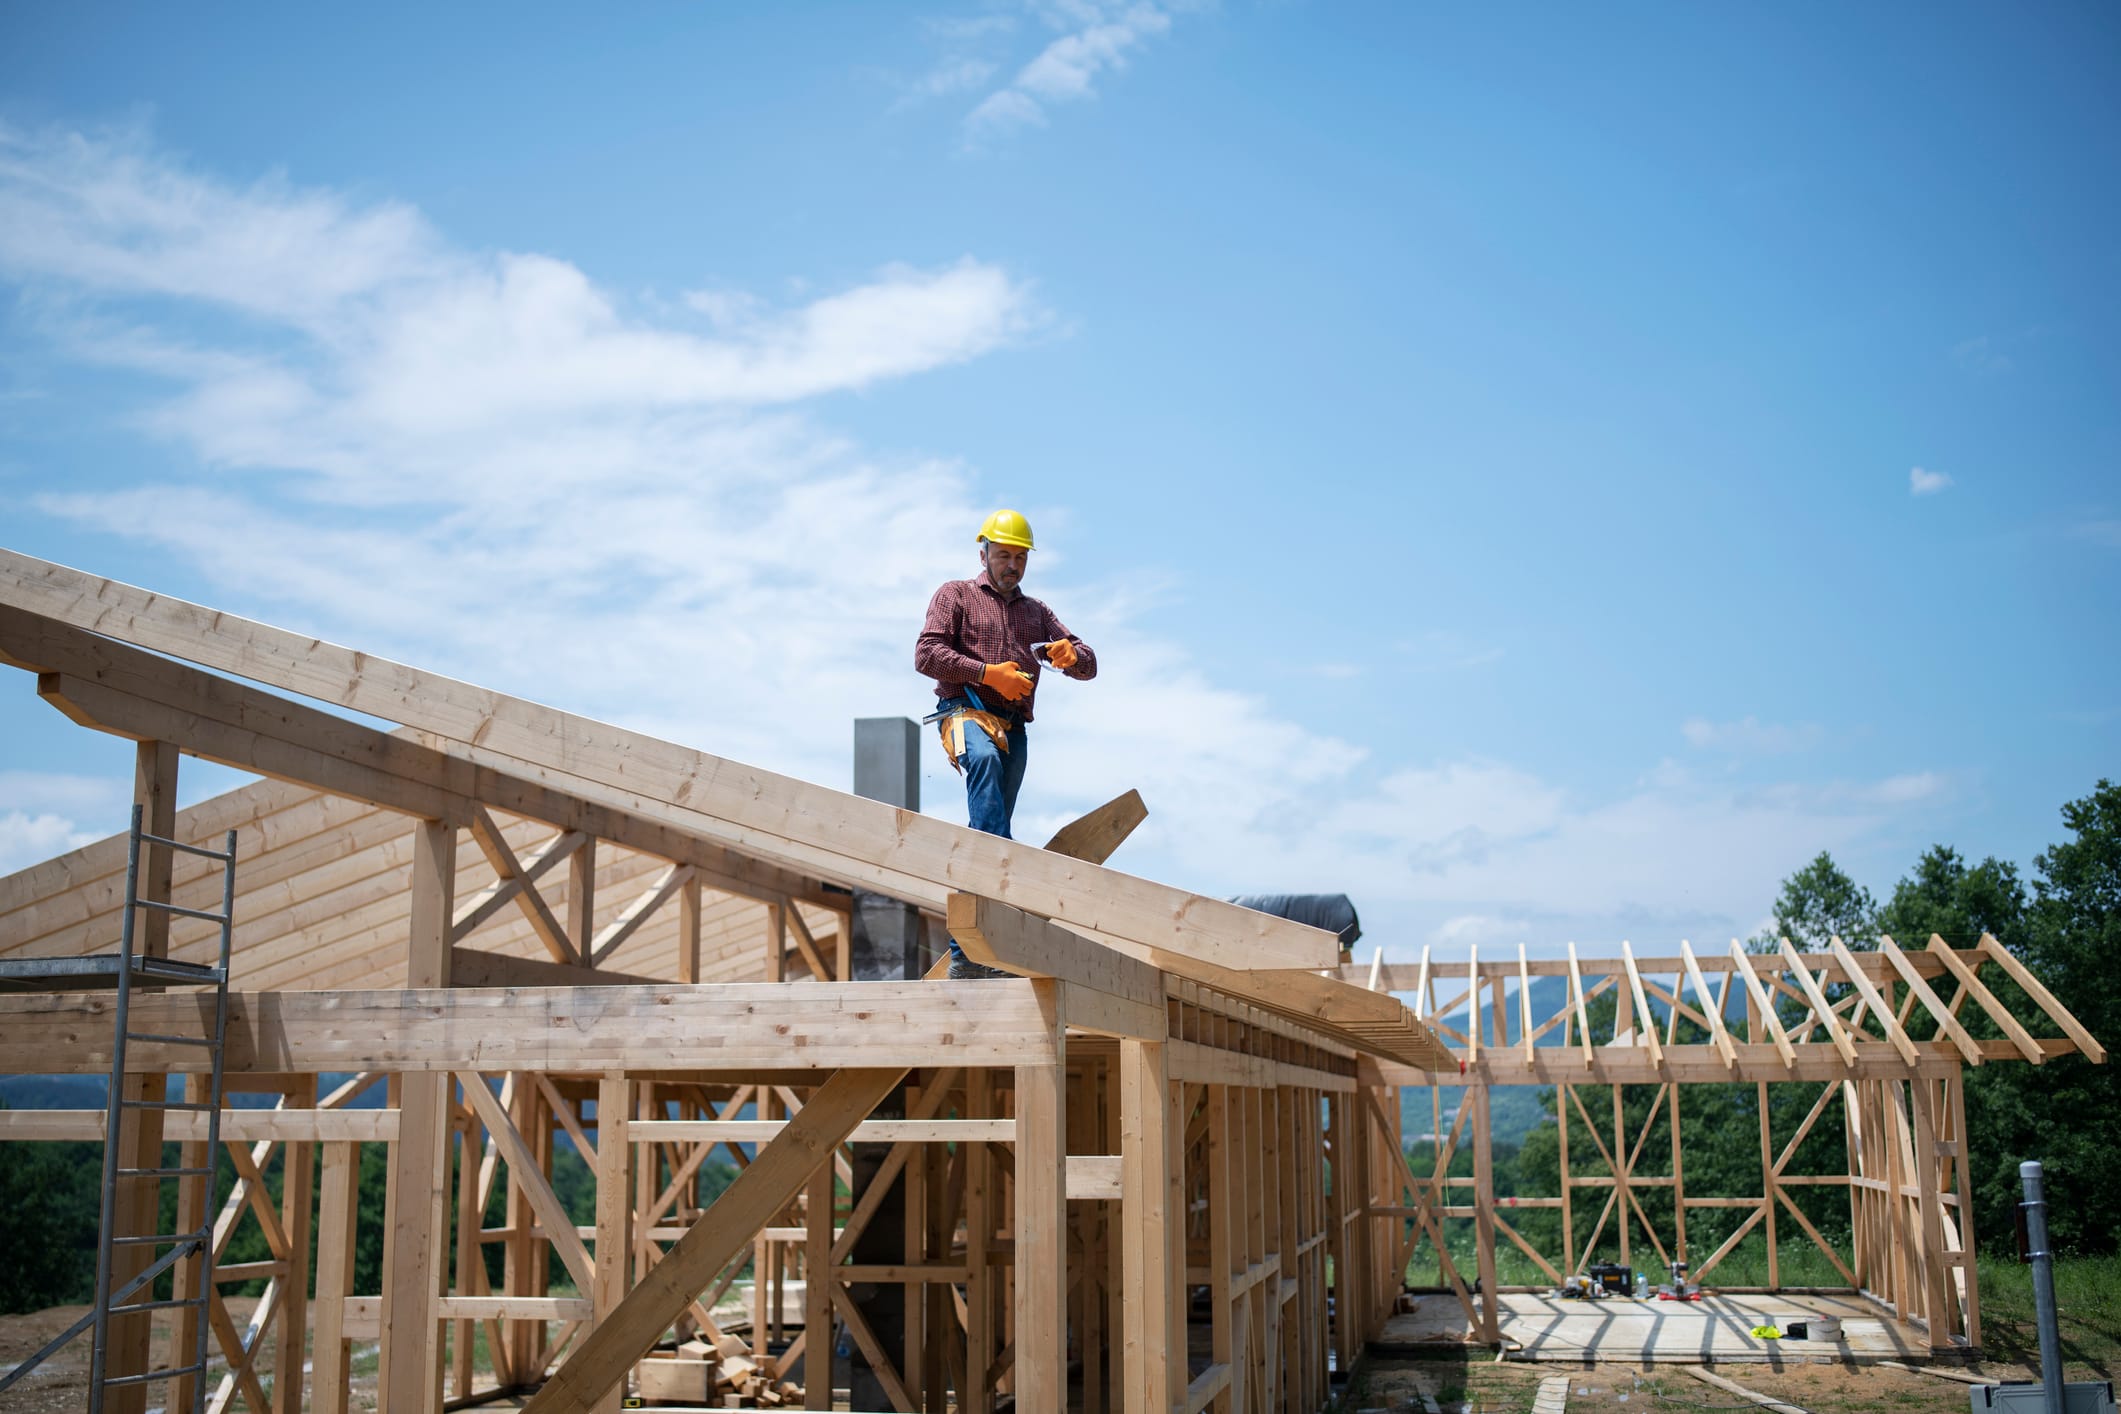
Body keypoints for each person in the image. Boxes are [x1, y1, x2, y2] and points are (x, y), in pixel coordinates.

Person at [916, 509, 1097, 977]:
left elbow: (1089, 664)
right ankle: (1004, 901)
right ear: (984, 553)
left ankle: (971, 956)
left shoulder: (1037, 614)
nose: (1012, 565)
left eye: (1020, 557)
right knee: (984, 767)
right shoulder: (955, 595)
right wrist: (985, 672)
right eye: (1003, 555)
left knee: (986, 824)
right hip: (964, 712)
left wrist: (1072, 654)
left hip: (1013, 728)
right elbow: (926, 655)